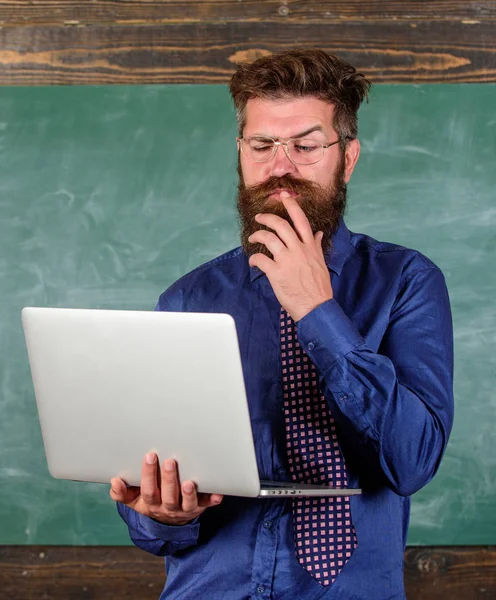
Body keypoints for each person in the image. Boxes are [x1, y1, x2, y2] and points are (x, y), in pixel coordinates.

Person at [110, 48, 454, 599]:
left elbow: (411, 462)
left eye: (306, 145)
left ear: (348, 158)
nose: (281, 166)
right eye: (263, 145)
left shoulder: (407, 281)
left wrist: (318, 313)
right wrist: (162, 515)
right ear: (241, 153)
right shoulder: (187, 299)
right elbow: (157, 531)